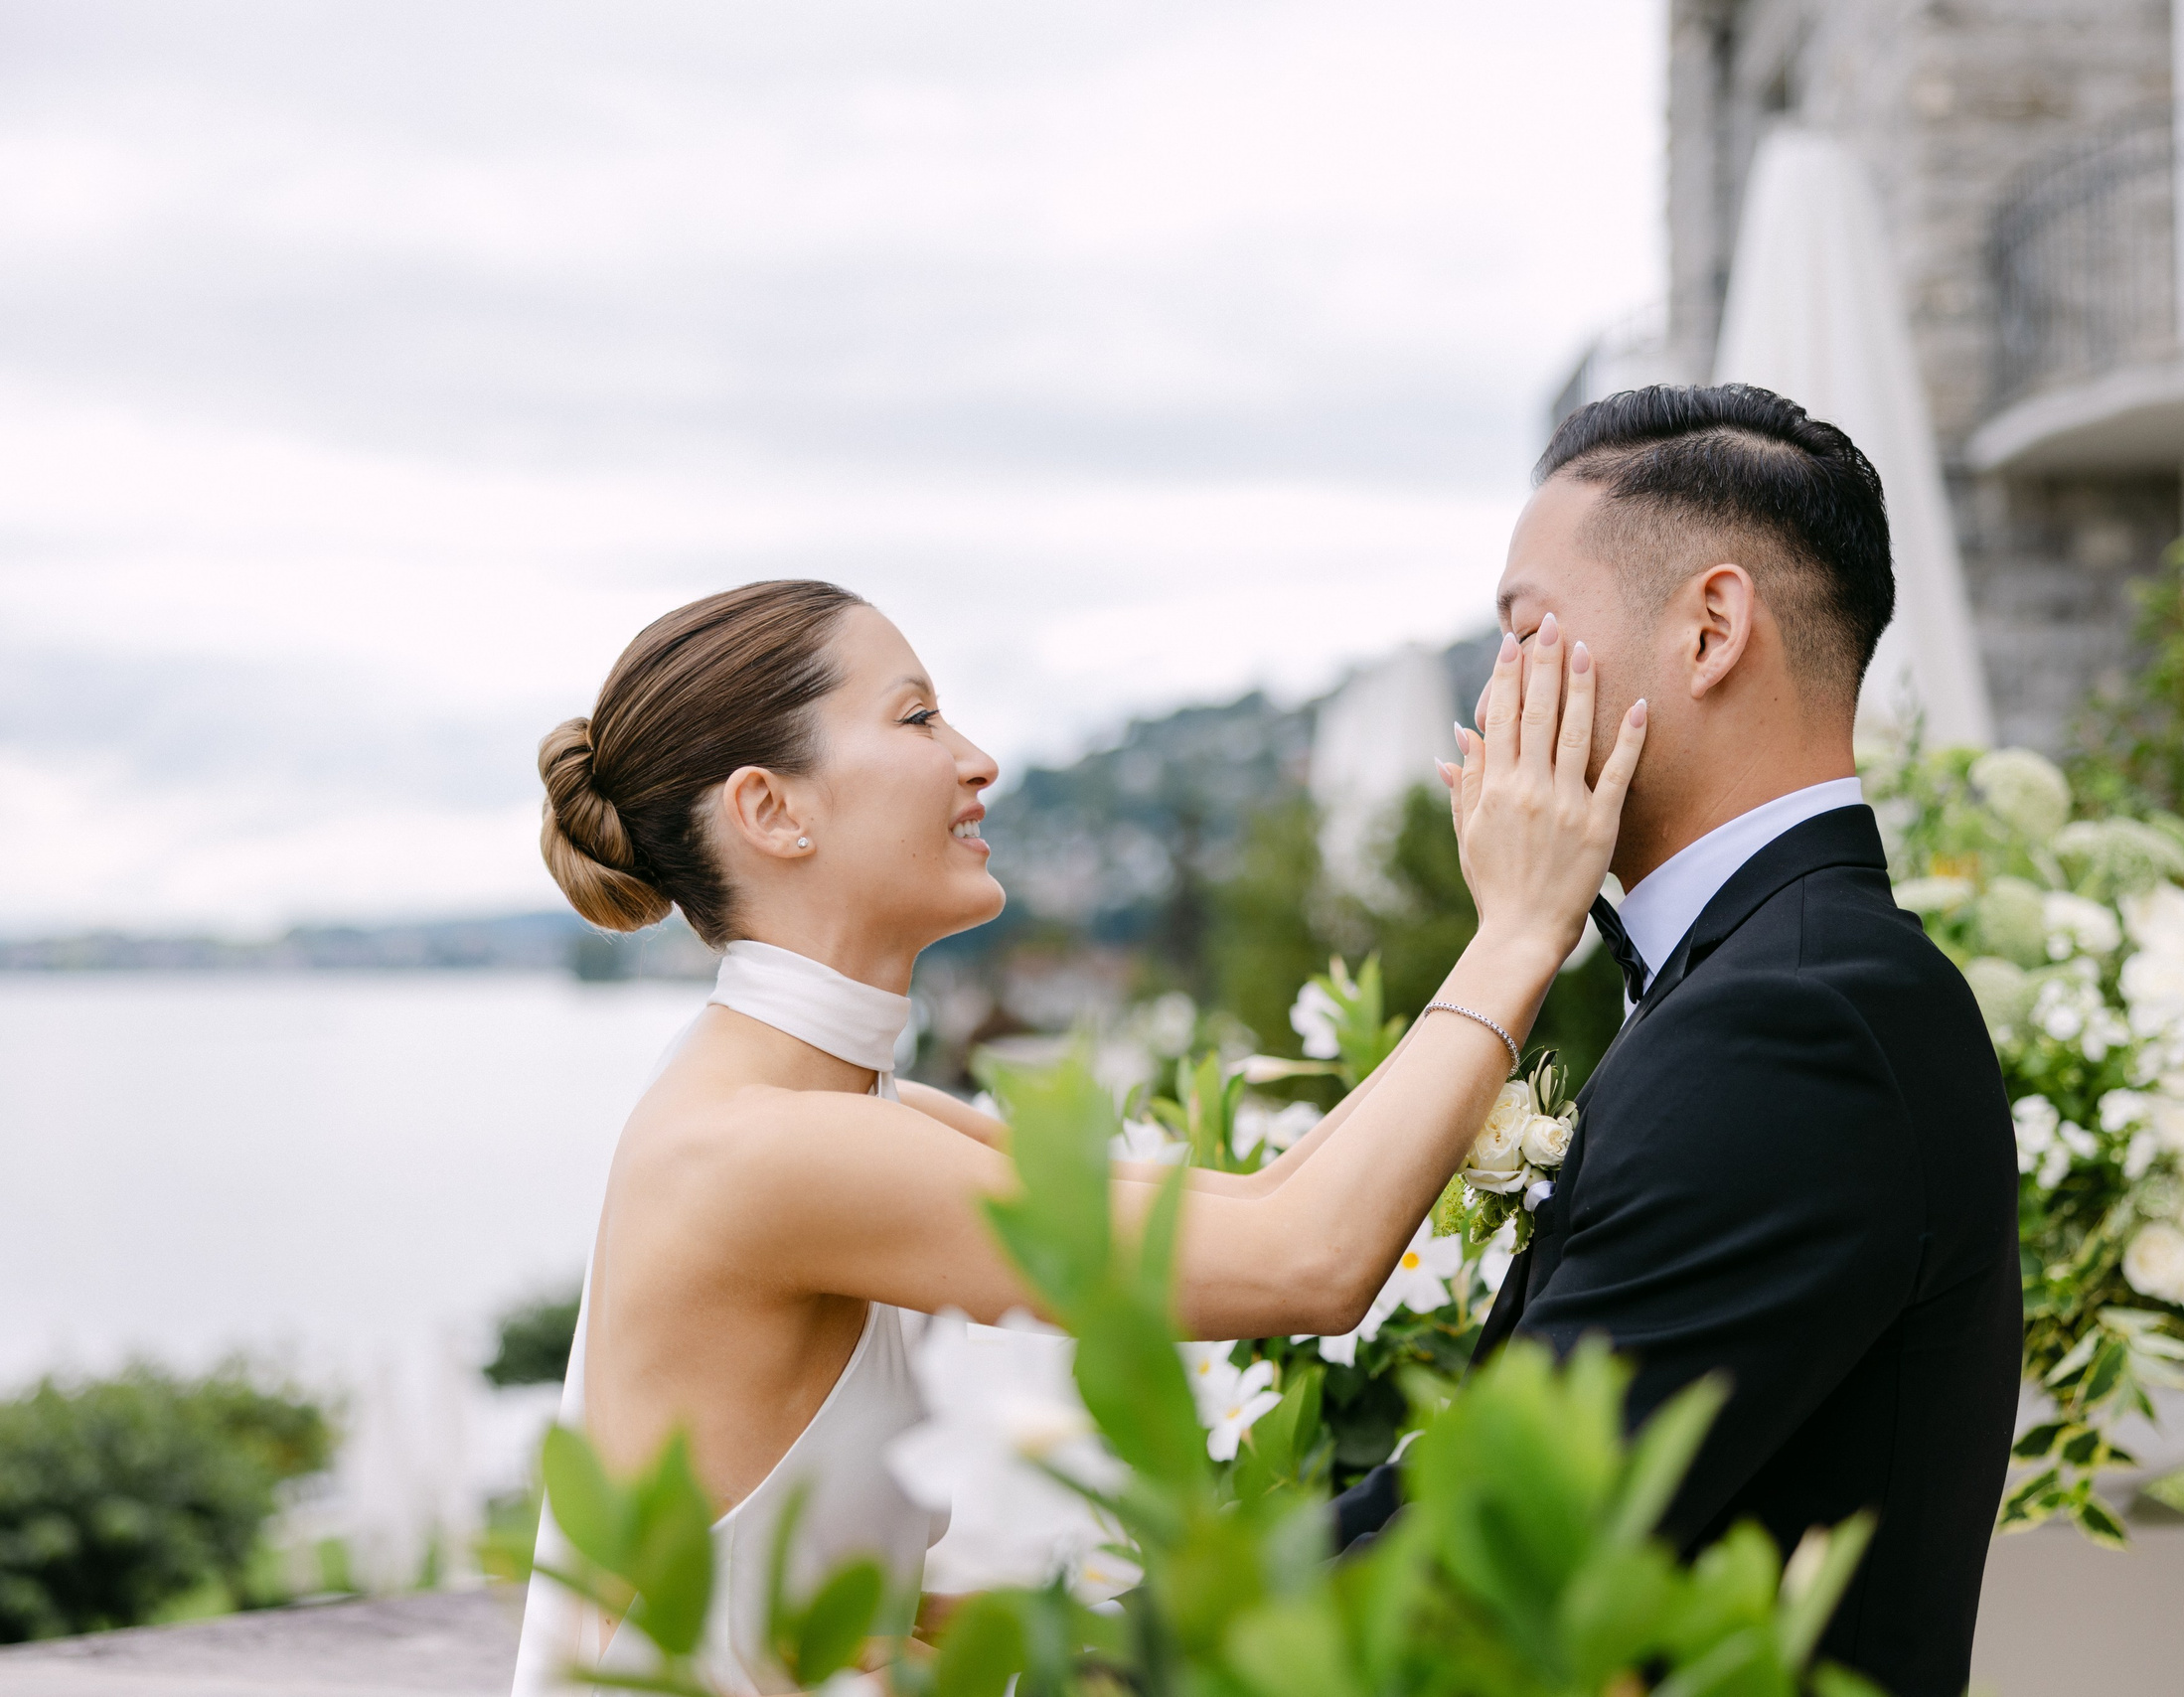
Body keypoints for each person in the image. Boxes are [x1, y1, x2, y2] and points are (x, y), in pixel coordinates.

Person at [509, 579, 1642, 1695]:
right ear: (771, 811)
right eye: (916, 717)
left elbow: (1260, 1205)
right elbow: (1309, 1260)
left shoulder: (840, 1111)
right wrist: (1519, 930)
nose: (977, 760)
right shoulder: (770, 1151)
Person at [1331, 384, 2021, 1697]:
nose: (1495, 697)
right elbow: (1463, 1479)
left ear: (1710, 629)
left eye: (1525, 632)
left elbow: (1503, 1556)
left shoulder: (1794, 1025)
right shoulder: (1766, 977)